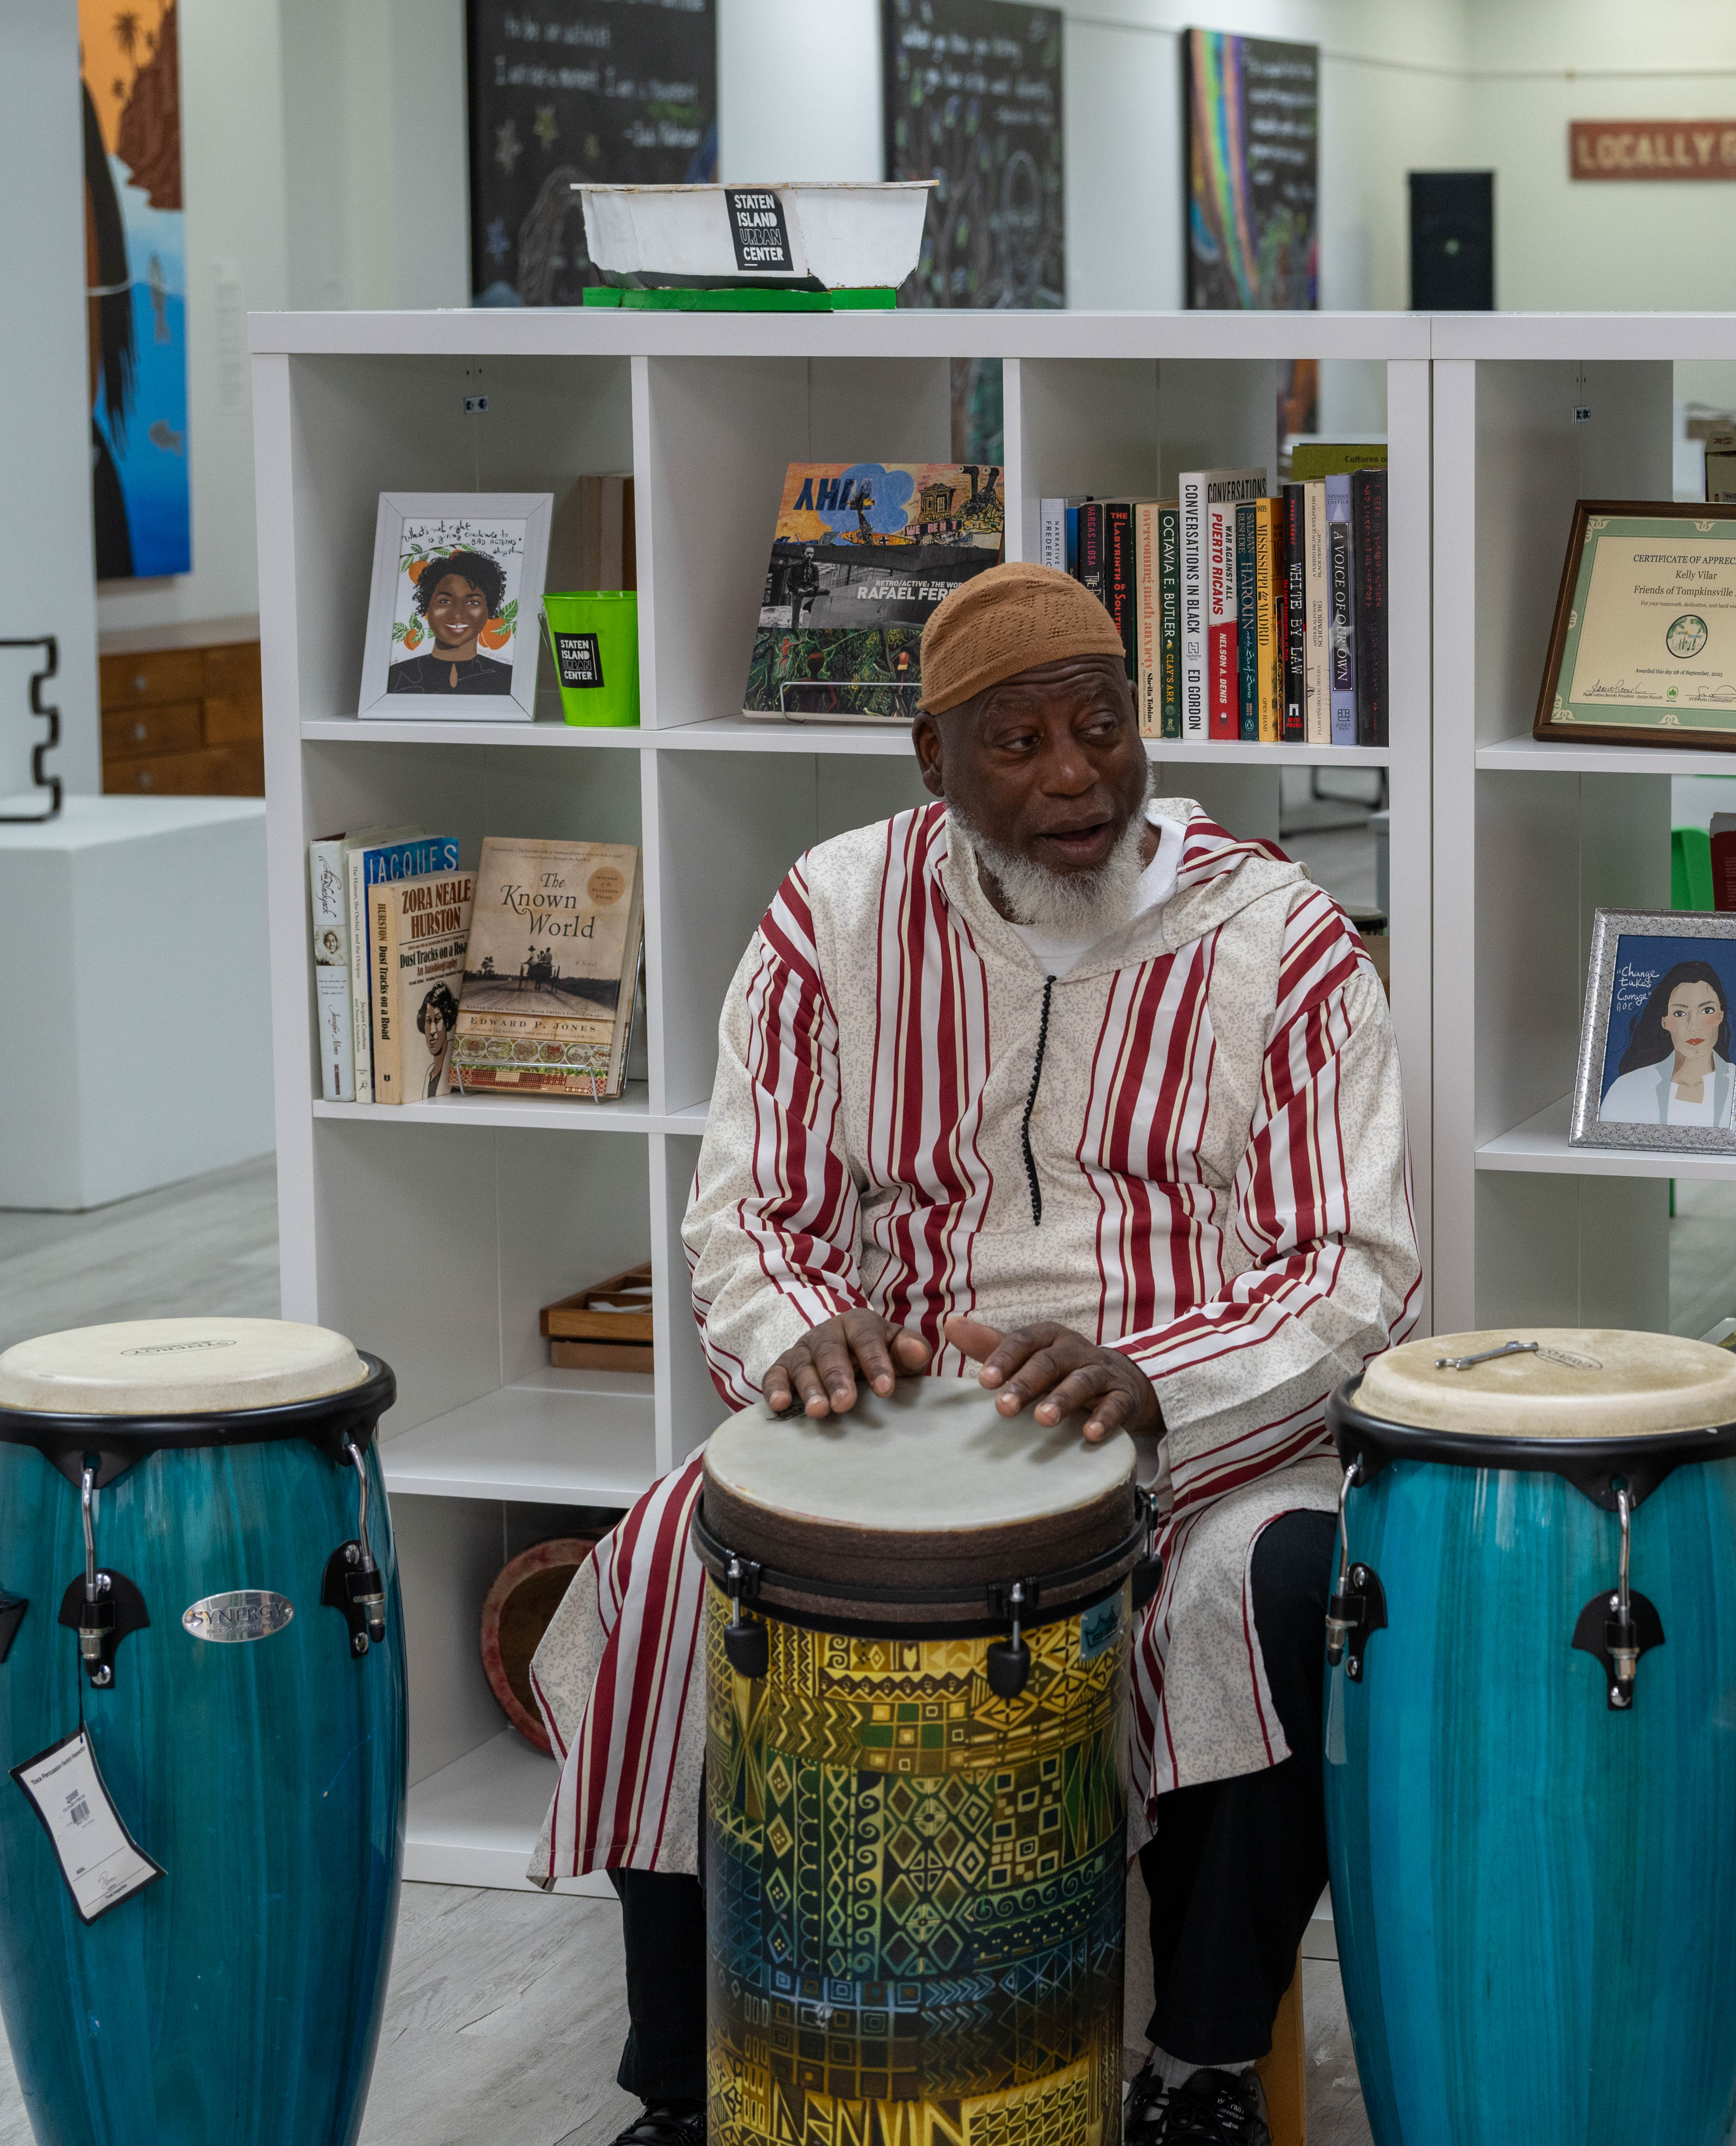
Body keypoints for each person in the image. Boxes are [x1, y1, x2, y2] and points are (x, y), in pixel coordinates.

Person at [528, 563, 1423, 2146]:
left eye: (1102, 726)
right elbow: (747, 1213)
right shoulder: (834, 915)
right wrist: (811, 1341)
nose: (1074, 773)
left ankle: (1203, 2067)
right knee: (675, 1547)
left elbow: (1350, 1269)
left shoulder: (1278, 938)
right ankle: (682, 2084)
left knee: (1281, 1588)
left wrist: (1161, 1391)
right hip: (906, 1402)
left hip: (1197, 1411)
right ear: (931, 765)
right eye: (1016, 742)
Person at [1595, 959, 1736, 1127]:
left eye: (1707, 1010)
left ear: (1721, 1016)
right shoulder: (1627, 1088)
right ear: (1665, 1022)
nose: (1693, 1026)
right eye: (1680, 1013)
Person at [386, 548, 514, 696]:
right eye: (445, 601)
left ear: (489, 609)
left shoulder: (508, 679)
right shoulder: (396, 677)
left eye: (473, 602)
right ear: (428, 606)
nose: (457, 614)